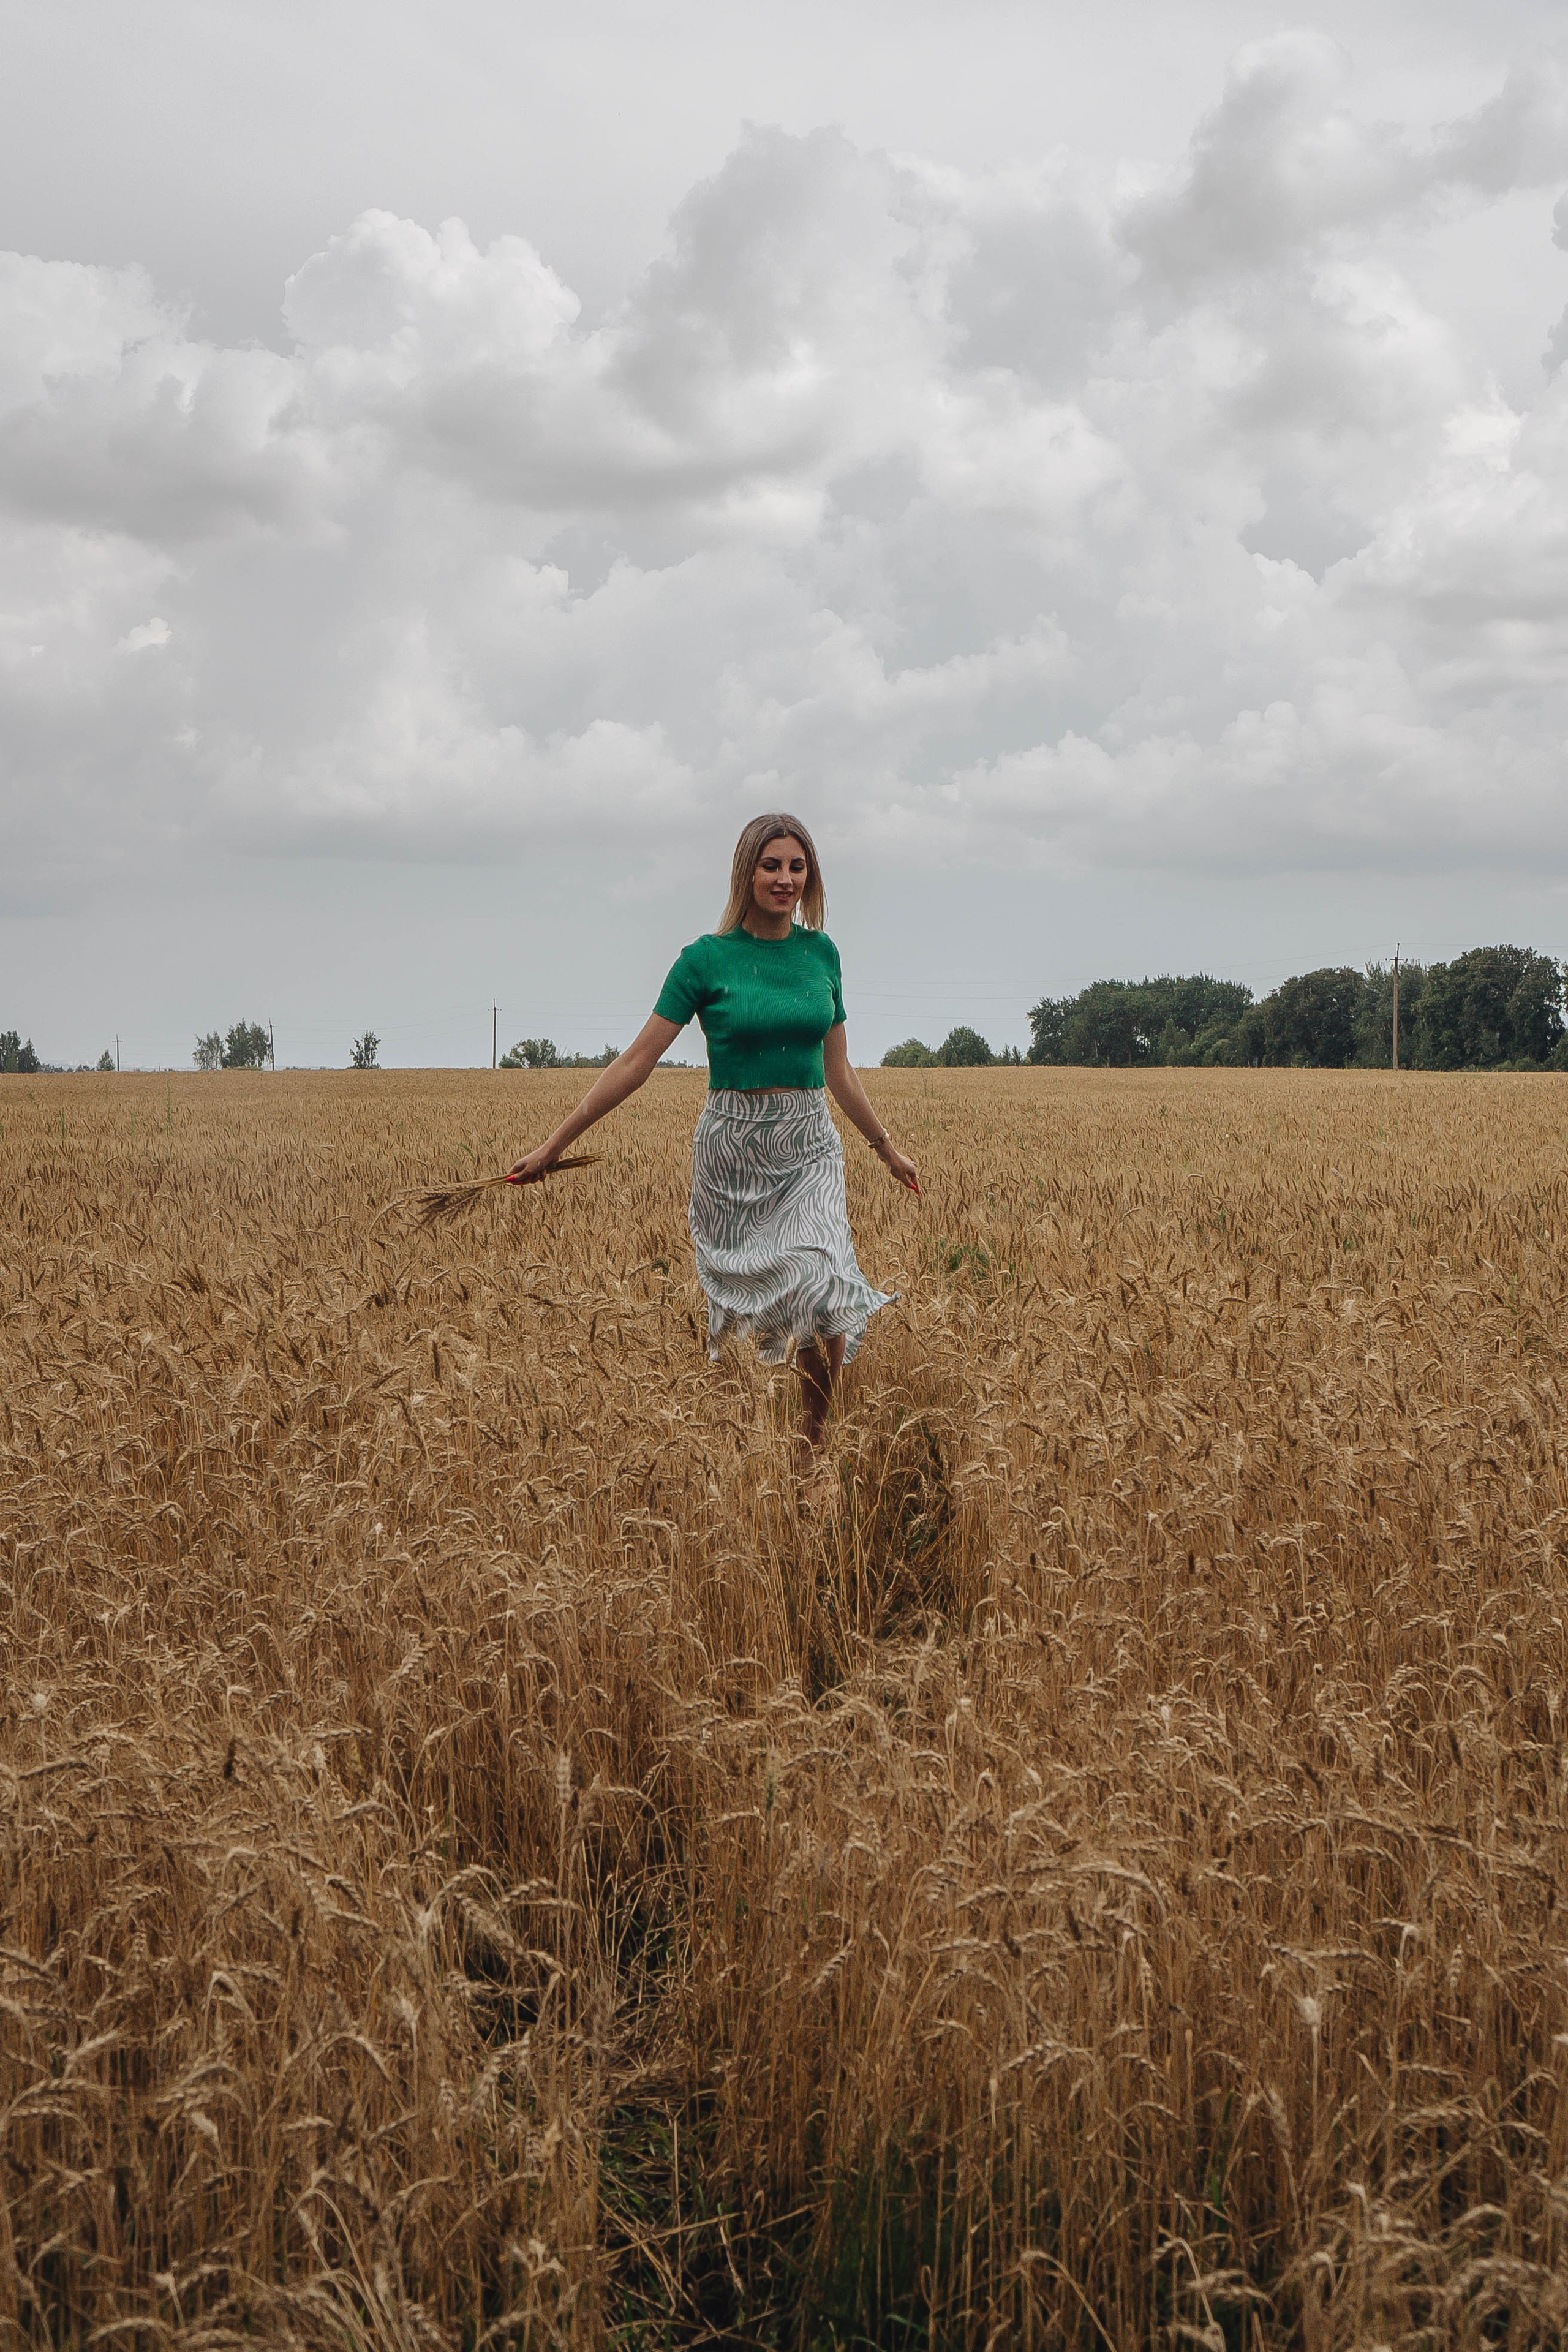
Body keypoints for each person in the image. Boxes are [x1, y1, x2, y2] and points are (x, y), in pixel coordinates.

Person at [508, 814, 919, 1454]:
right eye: (771, 866)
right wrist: (551, 1147)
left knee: (823, 1280)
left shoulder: (822, 953)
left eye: (796, 867)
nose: (784, 879)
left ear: (809, 876)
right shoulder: (704, 961)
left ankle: (811, 1444)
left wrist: (884, 1147)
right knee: (747, 1299)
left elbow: (837, 1066)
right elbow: (634, 1063)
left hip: (809, 1143)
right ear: (746, 872)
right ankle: (736, 1420)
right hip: (734, 1151)